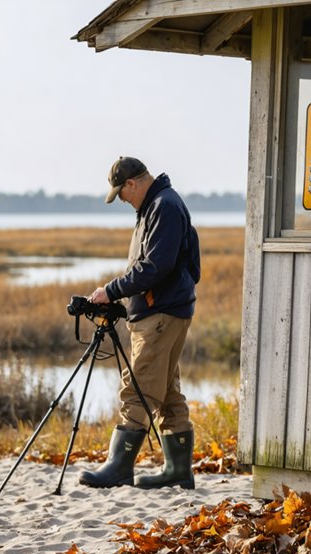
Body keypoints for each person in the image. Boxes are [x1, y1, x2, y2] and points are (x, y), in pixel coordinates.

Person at [79, 156, 198, 490]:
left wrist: (112, 290)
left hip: (160, 314)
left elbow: (155, 267)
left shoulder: (163, 206)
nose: (121, 200)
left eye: (121, 193)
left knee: (139, 389)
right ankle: (178, 471)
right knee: (167, 392)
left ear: (132, 183)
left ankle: (119, 469)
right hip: (165, 310)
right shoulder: (158, 205)